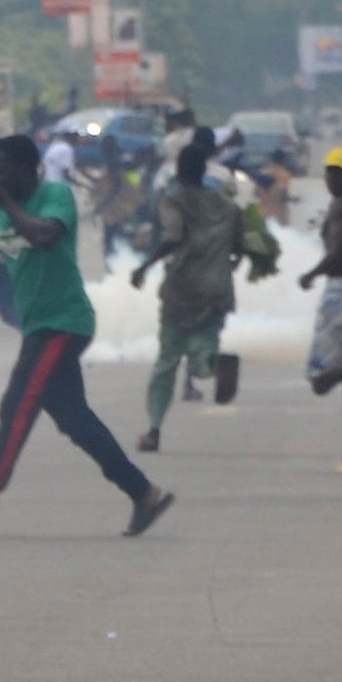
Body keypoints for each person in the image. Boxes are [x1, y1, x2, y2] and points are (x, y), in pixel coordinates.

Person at [0, 135, 173, 536]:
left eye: (3, 172)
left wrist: (8, 204)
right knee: (74, 419)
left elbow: (45, 235)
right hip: (38, 323)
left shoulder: (54, 196)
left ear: (30, 169)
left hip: (63, 322)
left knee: (18, 404)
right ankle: (143, 493)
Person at [127, 130, 240, 456]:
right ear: (204, 170)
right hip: (216, 289)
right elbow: (240, 249)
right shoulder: (226, 206)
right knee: (203, 354)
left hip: (181, 289)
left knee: (167, 362)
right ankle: (215, 364)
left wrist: (144, 266)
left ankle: (153, 431)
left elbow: (173, 237)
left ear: (179, 171)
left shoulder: (173, 200)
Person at [295, 146, 342, 475]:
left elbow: (338, 252)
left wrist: (311, 273)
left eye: (337, 172)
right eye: (328, 171)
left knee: (320, 379)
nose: (330, 178)